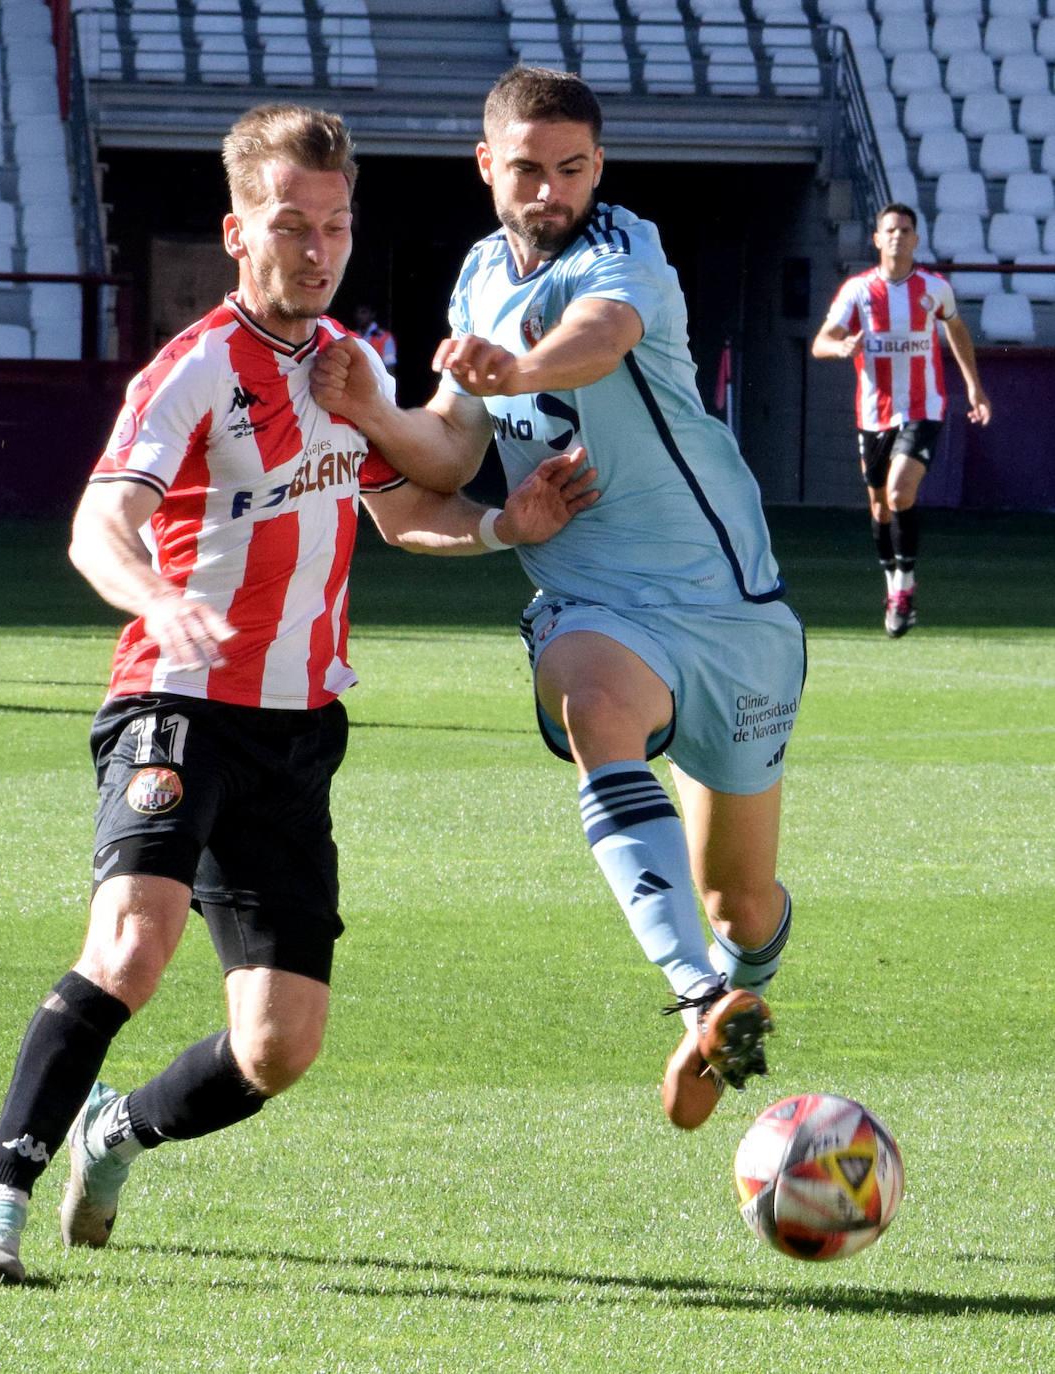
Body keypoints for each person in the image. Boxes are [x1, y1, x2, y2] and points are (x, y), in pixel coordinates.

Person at [0, 102, 596, 1284]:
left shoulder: (350, 365)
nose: (319, 247)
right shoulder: (193, 368)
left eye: (336, 225)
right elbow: (102, 524)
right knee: (131, 950)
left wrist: (507, 522)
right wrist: (157, 597)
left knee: (280, 1047)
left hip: (300, 733)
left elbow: (399, 512)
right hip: (177, 703)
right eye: (292, 224)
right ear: (238, 230)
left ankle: (115, 1130)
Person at [311, 67, 805, 1131]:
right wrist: (375, 409)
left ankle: (733, 976)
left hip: (731, 613)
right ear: (487, 165)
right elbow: (446, 448)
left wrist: (522, 368)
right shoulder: (480, 275)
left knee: (743, 901)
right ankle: (701, 998)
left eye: (572, 168)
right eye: (528, 169)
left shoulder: (630, 253)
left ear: (598, 167)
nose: (551, 190)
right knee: (593, 702)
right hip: (596, 601)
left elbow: (603, 337)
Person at [811, 202, 991, 638]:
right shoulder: (857, 291)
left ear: (915, 239)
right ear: (877, 239)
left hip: (923, 407)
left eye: (904, 230)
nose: (896, 236)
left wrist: (973, 386)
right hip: (873, 415)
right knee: (879, 507)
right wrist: (842, 349)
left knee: (899, 492)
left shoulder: (934, 288)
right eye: (889, 230)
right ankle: (893, 585)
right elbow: (821, 342)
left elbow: (956, 329)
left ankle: (905, 586)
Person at [353, 302, 397, 373]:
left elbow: (390, 368)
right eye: (357, 312)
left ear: (372, 314)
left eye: (363, 312)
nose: (359, 316)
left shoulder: (384, 337)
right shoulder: (352, 336)